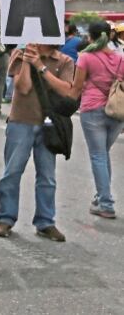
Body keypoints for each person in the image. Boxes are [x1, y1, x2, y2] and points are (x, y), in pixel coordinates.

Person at [0, 42, 75, 241]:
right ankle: (6, 218)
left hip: (48, 125)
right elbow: (23, 87)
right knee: (12, 172)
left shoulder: (64, 60)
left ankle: (46, 221)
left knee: (47, 176)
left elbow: (66, 90)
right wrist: (29, 61)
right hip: (21, 121)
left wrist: (41, 66)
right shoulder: (19, 54)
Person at [72, 21, 124, 219]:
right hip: (117, 111)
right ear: (110, 36)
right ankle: (101, 196)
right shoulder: (121, 58)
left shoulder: (85, 58)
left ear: (90, 37)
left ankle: (106, 202)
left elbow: (77, 87)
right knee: (103, 154)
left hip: (92, 109)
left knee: (98, 156)